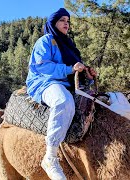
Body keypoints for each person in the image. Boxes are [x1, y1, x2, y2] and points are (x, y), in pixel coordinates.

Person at [25, 8, 97, 180]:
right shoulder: (46, 41)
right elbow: (42, 66)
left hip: (65, 84)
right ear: (53, 23)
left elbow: (75, 70)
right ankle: (50, 157)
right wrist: (69, 69)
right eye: (62, 20)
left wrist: (87, 73)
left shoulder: (69, 45)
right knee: (63, 102)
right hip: (44, 82)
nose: (66, 23)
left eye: (68, 20)